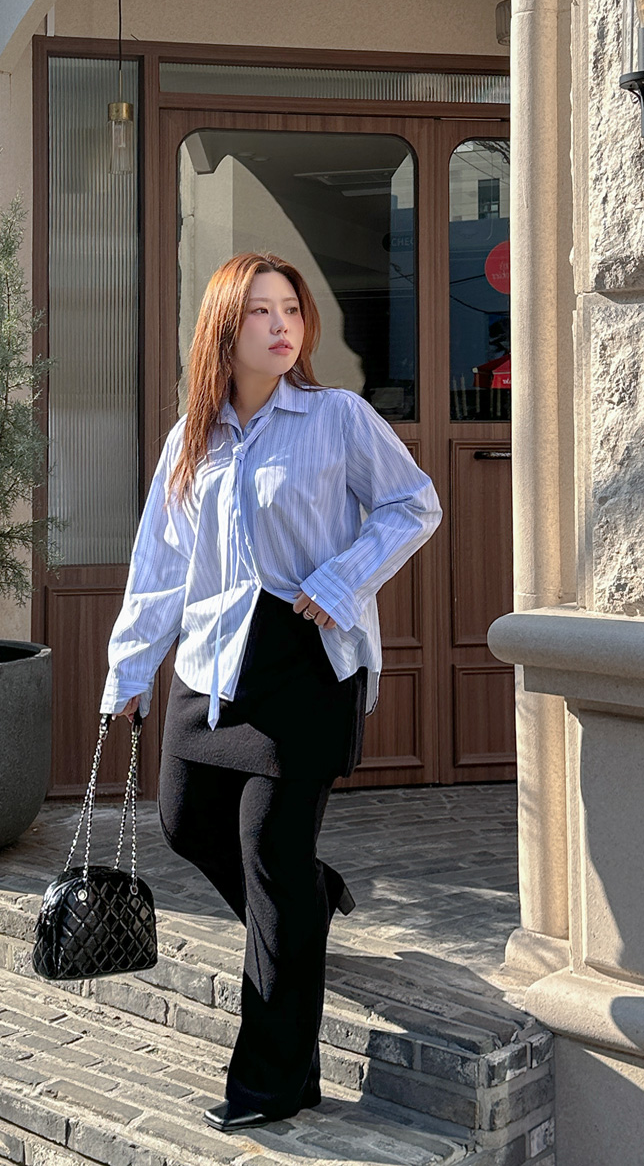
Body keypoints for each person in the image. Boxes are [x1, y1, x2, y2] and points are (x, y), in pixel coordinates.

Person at [99, 251, 442, 1132]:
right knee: (187, 822)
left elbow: (414, 503)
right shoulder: (192, 439)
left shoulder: (338, 417)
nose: (282, 324)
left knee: (270, 853)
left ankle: (274, 1080)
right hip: (212, 665)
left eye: (290, 307)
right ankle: (309, 902)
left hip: (306, 663)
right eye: (260, 311)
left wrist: (343, 579)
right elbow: (160, 565)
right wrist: (131, 670)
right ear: (225, 327)